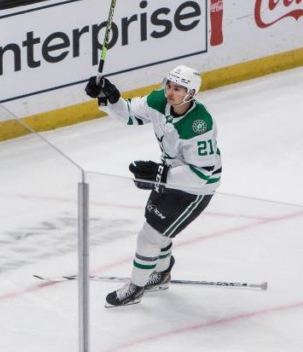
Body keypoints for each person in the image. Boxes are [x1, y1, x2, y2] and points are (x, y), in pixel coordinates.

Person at [83, 65, 221, 307]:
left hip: (196, 189)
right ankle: (161, 274)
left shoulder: (199, 124)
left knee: (149, 236)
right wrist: (108, 97)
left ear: (191, 93)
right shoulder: (159, 100)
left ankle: (135, 289)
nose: (170, 92)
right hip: (171, 176)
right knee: (156, 225)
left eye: (178, 89)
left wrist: (161, 174)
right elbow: (128, 113)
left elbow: (202, 173)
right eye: (169, 85)